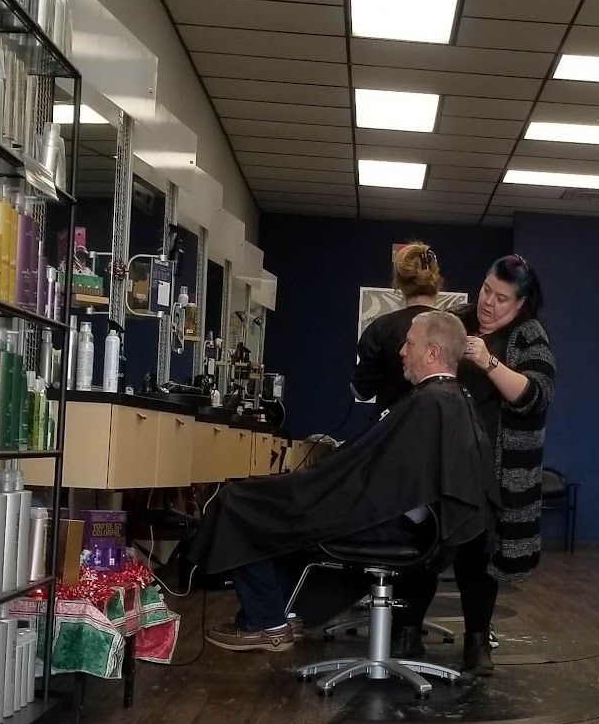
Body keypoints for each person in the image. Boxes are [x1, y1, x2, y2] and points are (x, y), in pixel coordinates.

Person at [196, 309, 493, 652]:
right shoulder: (450, 398)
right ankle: (277, 612)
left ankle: (264, 622)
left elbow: (372, 473)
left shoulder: (431, 401)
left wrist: (320, 481)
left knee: (239, 502)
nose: (401, 351)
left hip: (389, 525)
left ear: (432, 352)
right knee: (272, 505)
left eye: (409, 344)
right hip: (411, 525)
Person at [398, 254, 556, 676]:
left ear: (520, 304)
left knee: (478, 553)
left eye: (502, 299)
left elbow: (536, 396)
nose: (489, 302)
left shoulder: (528, 336)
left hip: (492, 467)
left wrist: (488, 362)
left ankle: (477, 642)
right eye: (487, 289)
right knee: (423, 545)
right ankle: (406, 632)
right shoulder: (457, 320)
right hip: (440, 459)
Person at [352, 241, 446, 408]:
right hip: (441, 423)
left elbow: (361, 391)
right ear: (436, 280)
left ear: (399, 283)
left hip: (392, 423)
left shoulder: (380, 329)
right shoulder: (456, 330)